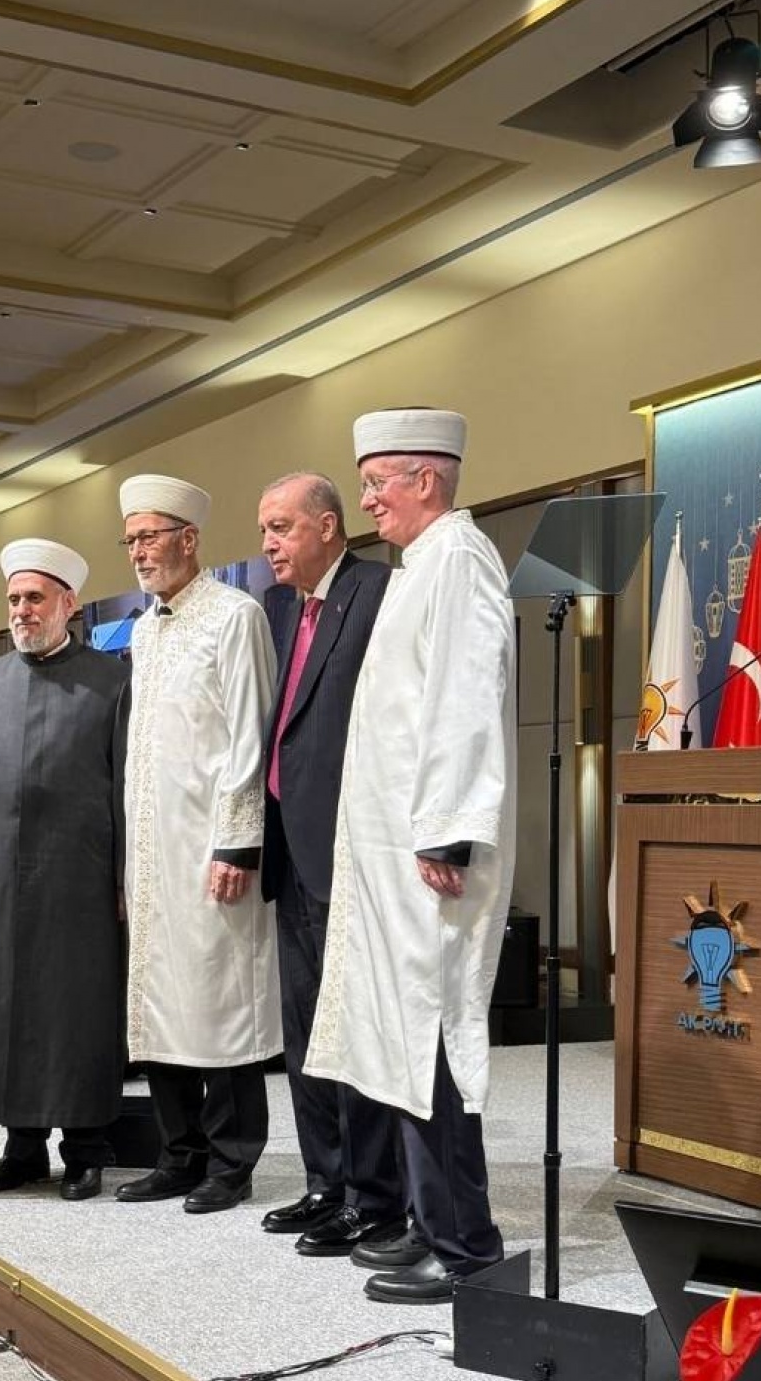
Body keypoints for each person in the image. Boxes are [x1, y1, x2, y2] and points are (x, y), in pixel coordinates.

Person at [306, 409, 516, 1304]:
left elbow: (466, 700)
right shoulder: (421, 564)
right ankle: (432, 1224)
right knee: (403, 1037)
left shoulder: (460, 558)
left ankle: (466, 1248)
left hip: (431, 852)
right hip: (395, 855)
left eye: (376, 483)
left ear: (425, 479)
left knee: (433, 1037)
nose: (366, 501)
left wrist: (446, 829)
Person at [0, 539, 129, 1202]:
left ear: (68, 604)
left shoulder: (112, 681)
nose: (22, 610)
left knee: (77, 1013)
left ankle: (85, 1151)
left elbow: (126, 787)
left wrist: (125, 878)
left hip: (82, 878)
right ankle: (21, 1149)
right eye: (14, 598)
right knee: (4, 1007)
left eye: (35, 598)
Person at [116, 473, 280, 1214]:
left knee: (222, 1002)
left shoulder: (235, 617)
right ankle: (177, 1154)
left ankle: (231, 1160)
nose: (138, 552)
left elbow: (250, 735)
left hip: (213, 848)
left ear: (189, 538)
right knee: (160, 1005)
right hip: (153, 851)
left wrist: (238, 842)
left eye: (148, 537)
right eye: (130, 540)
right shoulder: (144, 630)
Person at [256, 472, 404, 1256]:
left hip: (350, 845)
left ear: (326, 525)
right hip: (289, 845)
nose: (268, 544)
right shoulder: (282, 609)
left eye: (280, 527)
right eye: (264, 530)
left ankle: (375, 1198)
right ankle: (327, 1182)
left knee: (354, 1029)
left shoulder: (377, 593)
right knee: (306, 1028)